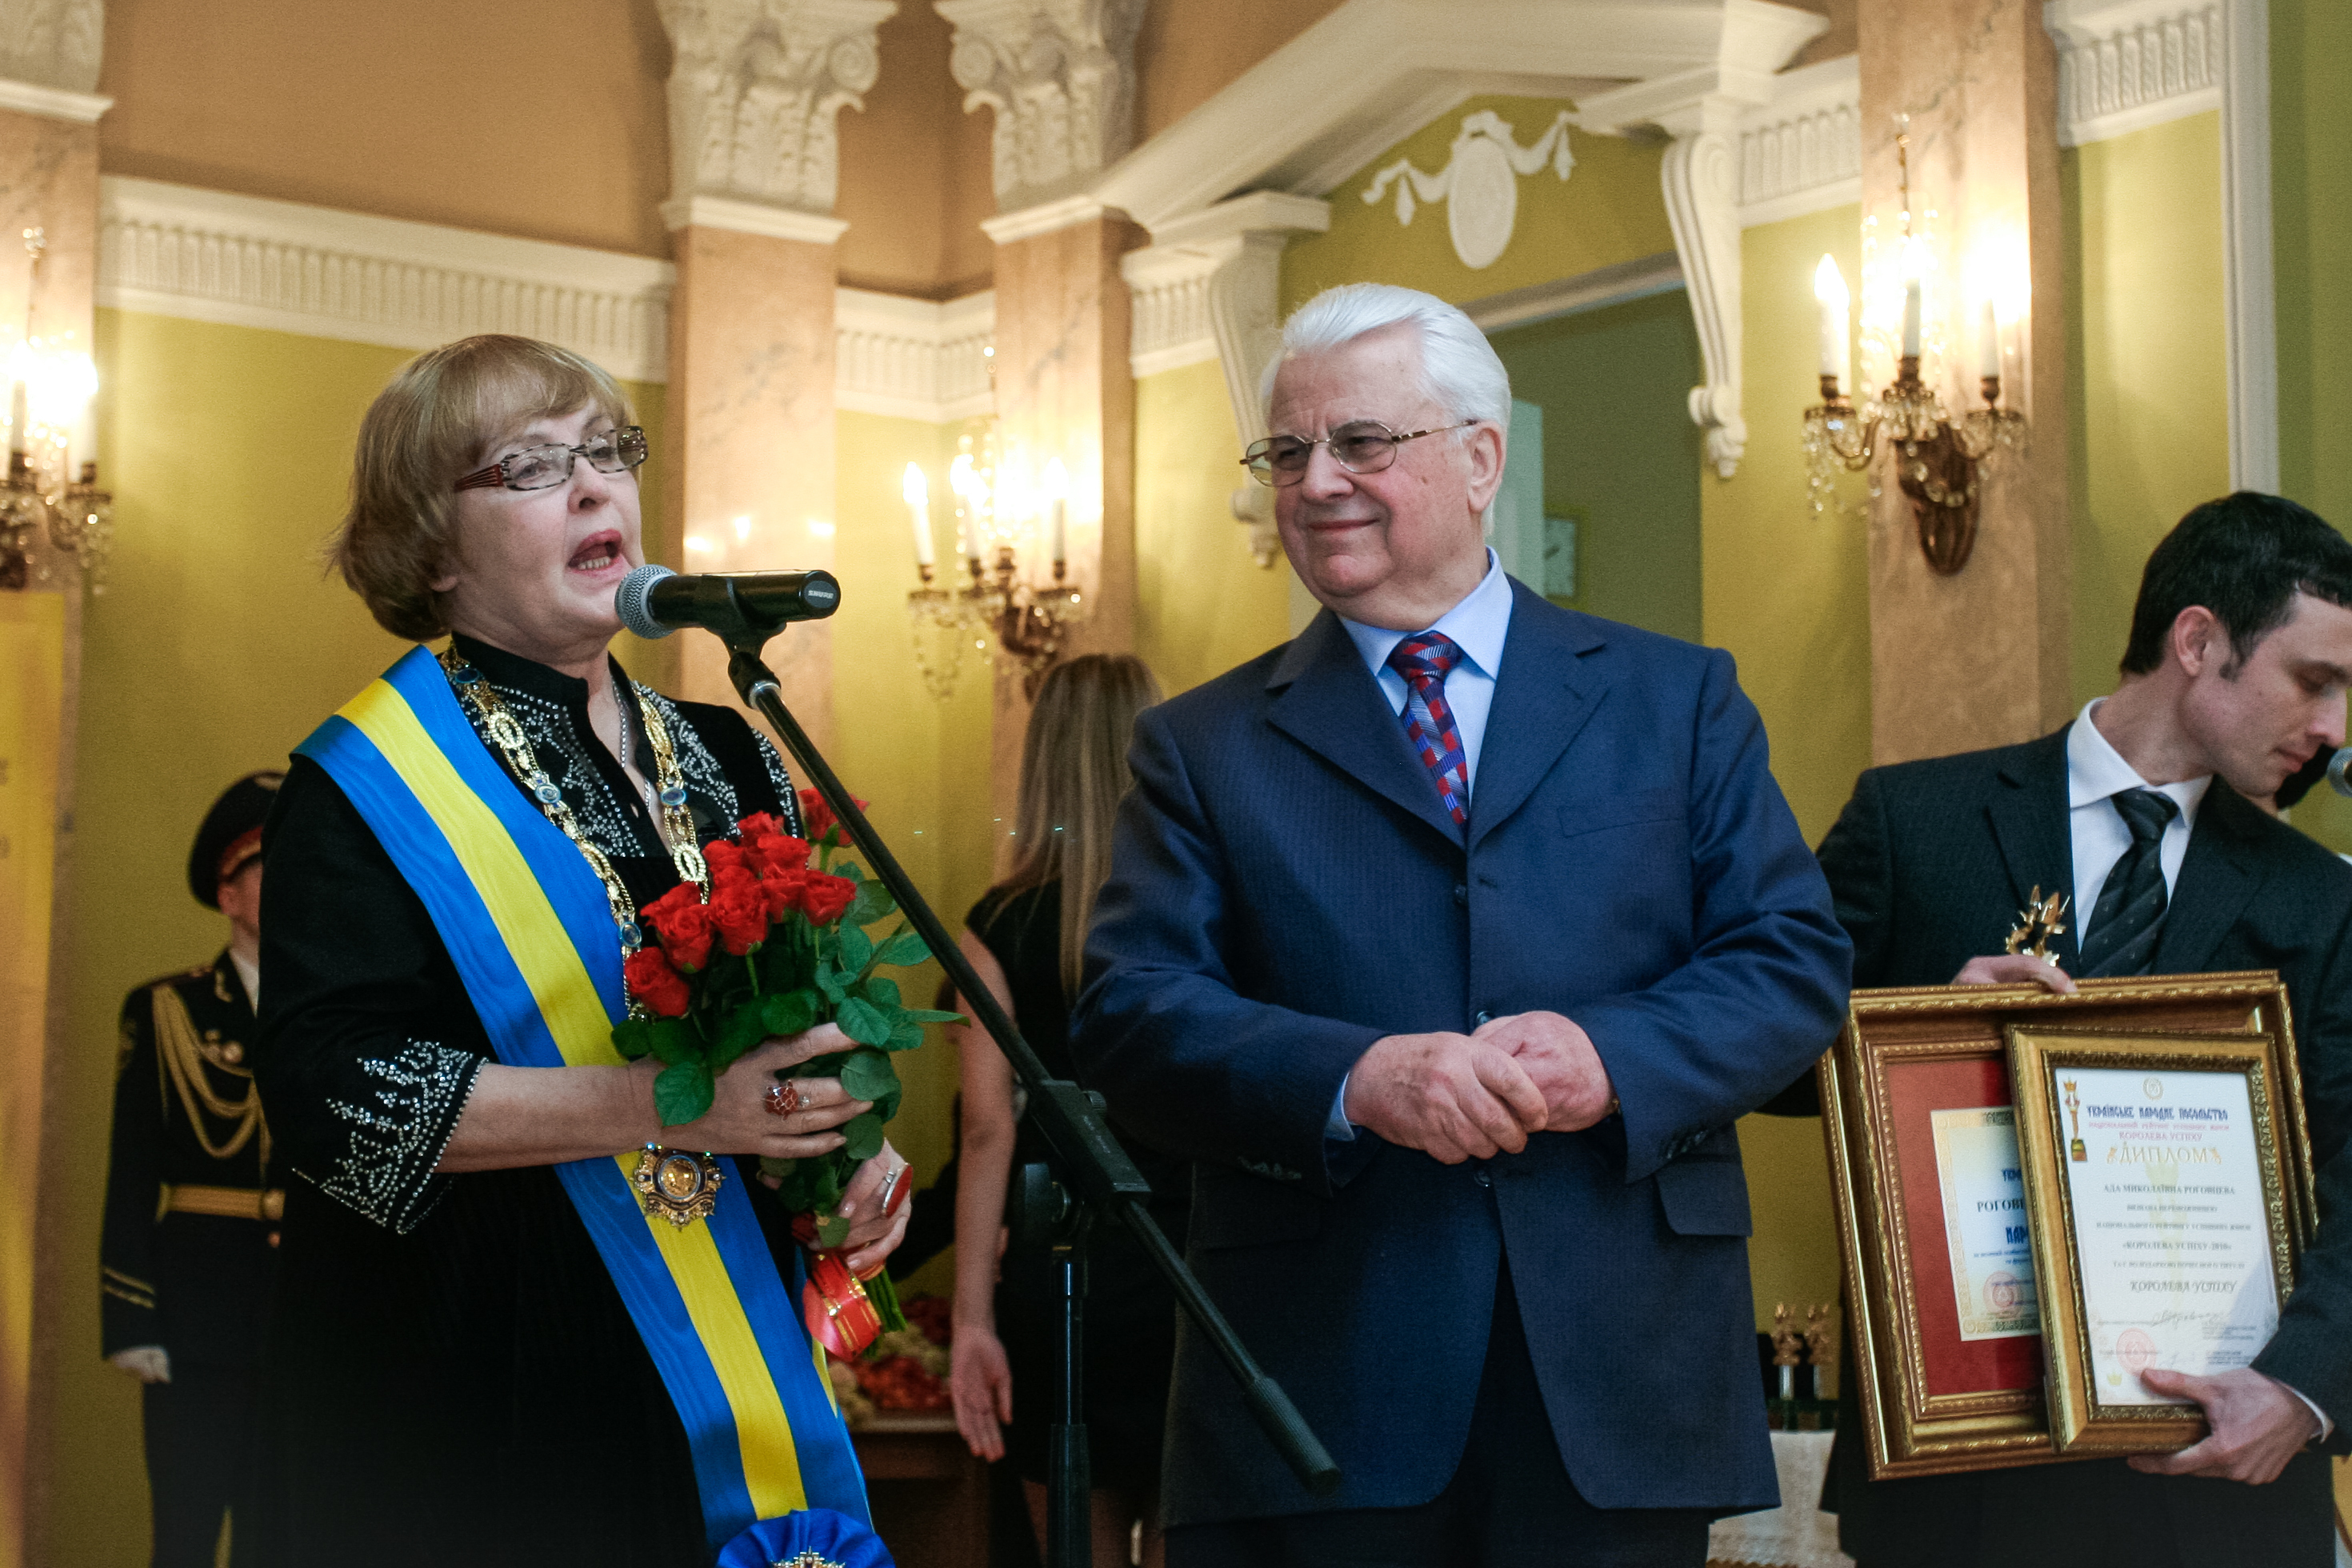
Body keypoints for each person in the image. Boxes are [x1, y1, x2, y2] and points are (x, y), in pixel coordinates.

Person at [1068, 283, 1854, 1566]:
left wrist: (1615, 1060)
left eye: (1361, 442)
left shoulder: (1677, 701)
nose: (1316, 480)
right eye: (1288, 452)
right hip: (1320, 1383)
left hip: (1616, 1379)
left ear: (1480, 459)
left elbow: (1791, 961)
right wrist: (1358, 1080)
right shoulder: (1200, 747)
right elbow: (1133, 1011)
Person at [248, 334, 910, 1566]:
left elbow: (805, 1018)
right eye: (530, 466)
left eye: (608, 451)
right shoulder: (361, 787)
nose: (596, 486)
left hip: (726, 1353)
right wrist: (678, 1107)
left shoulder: (733, 748)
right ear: (431, 549)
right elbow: (336, 1101)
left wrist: (851, 1151)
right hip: (488, 1391)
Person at [1803, 492, 2352, 1567]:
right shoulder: (1915, 823)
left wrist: (2303, 1388)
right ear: (2199, 642)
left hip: (2215, 1485)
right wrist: (1915, 1025)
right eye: (2314, 680)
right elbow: (1761, 1049)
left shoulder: (2323, 899)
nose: (2334, 729)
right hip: (1959, 1476)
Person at [946, 653, 1180, 1567]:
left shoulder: (995, 924)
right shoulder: (1196, 908)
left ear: (1041, 759)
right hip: (1187, 1267)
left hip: (1061, 1274)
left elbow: (985, 1130)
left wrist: (971, 1317)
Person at [100, 771, 284, 1567]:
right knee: (184, 1533)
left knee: (278, 1540)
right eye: (272, 871)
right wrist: (131, 1318)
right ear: (229, 894)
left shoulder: (335, 1017)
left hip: (299, 1321)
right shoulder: (167, 1011)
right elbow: (132, 1172)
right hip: (195, 1317)